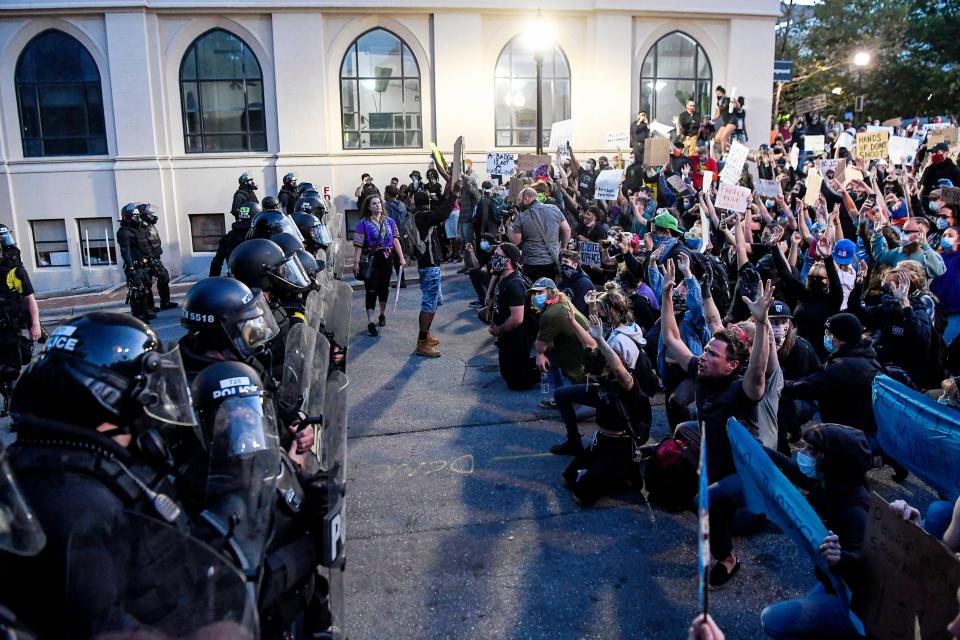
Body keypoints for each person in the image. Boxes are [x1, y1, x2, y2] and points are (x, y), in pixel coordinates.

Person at [1, 312, 199, 640]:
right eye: (147, 392)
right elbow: (100, 623)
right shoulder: (73, 501)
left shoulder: (65, 460)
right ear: (107, 397)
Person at [661, 259, 773, 588]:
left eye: (712, 354)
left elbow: (758, 373)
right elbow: (671, 338)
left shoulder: (741, 389)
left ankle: (727, 557)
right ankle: (727, 553)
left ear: (731, 365)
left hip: (748, 469)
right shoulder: (701, 370)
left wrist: (763, 324)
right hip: (717, 461)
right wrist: (667, 294)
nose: (705, 355)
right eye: (707, 350)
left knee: (705, 503)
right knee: (716, 507)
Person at [760, 424, 872, 639]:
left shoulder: (856, 510)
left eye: (811, 450)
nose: (801, 453)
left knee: (773, 619)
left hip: (855, 602)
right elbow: (795, 471)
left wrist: (843, 558)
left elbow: (867, 568)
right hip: (833, 581)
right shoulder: (831, 483)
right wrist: (759, 450)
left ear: (832, 460)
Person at [781, 312, 882, 436]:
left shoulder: (843, 368)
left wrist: (777, 383)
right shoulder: (865, 356)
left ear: (842, 339)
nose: (826, 337)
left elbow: (805, 387)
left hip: (849, 432)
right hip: (857, 426)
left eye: (830, 334)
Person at [529, 278, 589, 408]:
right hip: (585, 356)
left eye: (540, 292)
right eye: (534, 293)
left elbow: (540, 346)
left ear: (551, 292)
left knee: (545, 356)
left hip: (580, 365)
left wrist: (540, 354)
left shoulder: (551, 314)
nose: (535, 296)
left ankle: (561, 395)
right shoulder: (563, 303)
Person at [0, 225, 40, 417]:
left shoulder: (14, 269)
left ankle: (17, 413)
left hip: (9, 328)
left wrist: (35, 325)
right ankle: (8, 398)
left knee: (11, 371)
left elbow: (29, 298)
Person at [769, 300, 822, 445]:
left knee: (779, 411)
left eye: (782, 321)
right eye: (773, 322)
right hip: (776, 393)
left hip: (800, 399)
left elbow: (801, 386)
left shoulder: (800, 348)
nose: (778, 327)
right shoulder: (758, 343)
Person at [353, 194, 406, 337]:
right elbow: (358, 245)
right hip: (371, 259)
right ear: (369, 207)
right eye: (374, 204)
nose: (378, 205)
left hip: (387, 258)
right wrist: (356, 262)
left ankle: (382, 315)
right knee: (371, 290)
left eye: (379, 203)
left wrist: (401, 258)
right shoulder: (362, 224)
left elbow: (395, 241)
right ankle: (370, 321)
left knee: (384, 288)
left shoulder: (390, 221)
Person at [488, 242, 538, 391]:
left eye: (498, 255)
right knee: (506, 373)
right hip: (508, 337)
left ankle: (543, 368)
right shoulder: (505, 279)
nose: (494, 258)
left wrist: (500, 330)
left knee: (516, 383)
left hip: (517, 336)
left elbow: (517, 318)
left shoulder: (514, 284)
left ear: (508, 261)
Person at [508, 187, 571, 282]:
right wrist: (563, 247)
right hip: (552, 261)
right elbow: (567, 230)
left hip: (532, 264)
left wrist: (509, 227)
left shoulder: (522, 217)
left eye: (520, 200)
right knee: (550, 292)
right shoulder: (554, 209)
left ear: (526, 199)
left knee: (534, 292)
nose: (519, 203)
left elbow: (515, 241)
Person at [411, 190, 446, 357]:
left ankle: (426, 335)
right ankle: (422, 342)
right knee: (429, 304)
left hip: (427, 265)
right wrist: (452, 194)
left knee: (433, 302)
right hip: (429, 266)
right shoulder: (423, 216)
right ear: (427, 202)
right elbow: (443, 213)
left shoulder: (417, 215)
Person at [871, 214, 946, 284]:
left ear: (920, 233)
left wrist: (926, 246)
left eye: (907, 232)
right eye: (903, 230)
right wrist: (877, 234)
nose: (902, 234)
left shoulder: (928, 255)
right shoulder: (899, 251)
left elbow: (939, 271)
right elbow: (880, 256)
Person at [116, 202, 154, 323]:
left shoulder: (139, 229)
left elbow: (146, 246)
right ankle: (138, 315)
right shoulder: (124, 232)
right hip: (135, 267)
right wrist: (131, 267)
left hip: (145, 265)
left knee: (147, 289)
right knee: (138, 291)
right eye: (134, 216)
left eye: (138, 215)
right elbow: (125, 252)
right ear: (127, 217)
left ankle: (146, 311)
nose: (137, 218)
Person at [136, 203, 177, 312]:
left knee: (164, 277)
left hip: (155, 256)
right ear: (143, 215)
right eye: (148, 213)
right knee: (147, 281)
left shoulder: (148, 225)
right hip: (148, 258)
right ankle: (150, 306)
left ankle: (165, 302)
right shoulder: (141, 228)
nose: (151, 215)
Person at [209, 200, 257, 276]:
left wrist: (212, 281)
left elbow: (217, 262)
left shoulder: (229, 236)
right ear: (256, 217)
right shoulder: (258, 234)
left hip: (235, 279)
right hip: (257, 278)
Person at [932, 225, 960, 345]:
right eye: (944, 235)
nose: (945, 238)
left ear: (958, 240)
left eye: (950, 235)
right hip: (936, 308)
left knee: (944, 344)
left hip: (956, 310)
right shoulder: (938, 256)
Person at [557, 249, 595, 315]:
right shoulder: (564, 280)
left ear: (575, 265)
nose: (563, 265)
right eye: (562, 262)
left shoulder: (584, 283)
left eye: (565, 262)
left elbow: (579, 309)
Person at [384, 185, 408, 289]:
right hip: (402, 234)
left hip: (390, 235)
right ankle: (401, 280)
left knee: (389, 259)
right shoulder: (402, 205)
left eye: (385, 193)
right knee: (399, 258)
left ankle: (386, 281)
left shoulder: (386, 206)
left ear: (388, 195)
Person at [713, 86, 735, 156]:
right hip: (725, 122)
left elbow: (733, 106)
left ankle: (724, 153)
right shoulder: (718, 103)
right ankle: (731, 147)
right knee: (717, 139)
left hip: (731, 121)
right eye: (717, 94)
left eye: (719, 94)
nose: (718, 95)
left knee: (723, 137)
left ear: (723, 94)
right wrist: (712, 119)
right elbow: (718, 114)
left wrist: (734, 103)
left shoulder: (728, 100)